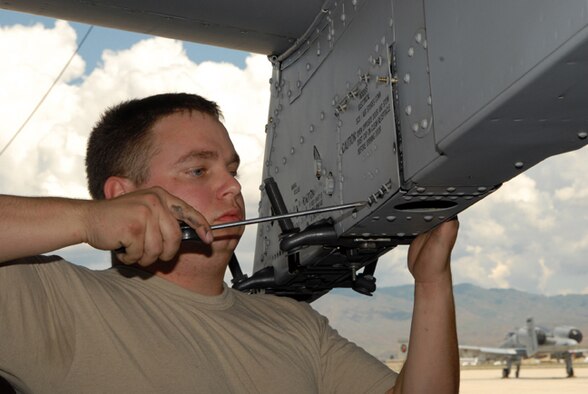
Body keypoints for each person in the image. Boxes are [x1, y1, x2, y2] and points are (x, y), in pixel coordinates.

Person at [0, 93, 459, 393]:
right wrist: (85, 220)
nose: (233, 188)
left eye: (232, 170)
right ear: (123, 196)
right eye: (199, 170)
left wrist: (432, 280)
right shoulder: (54, 299)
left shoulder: (296, 326)